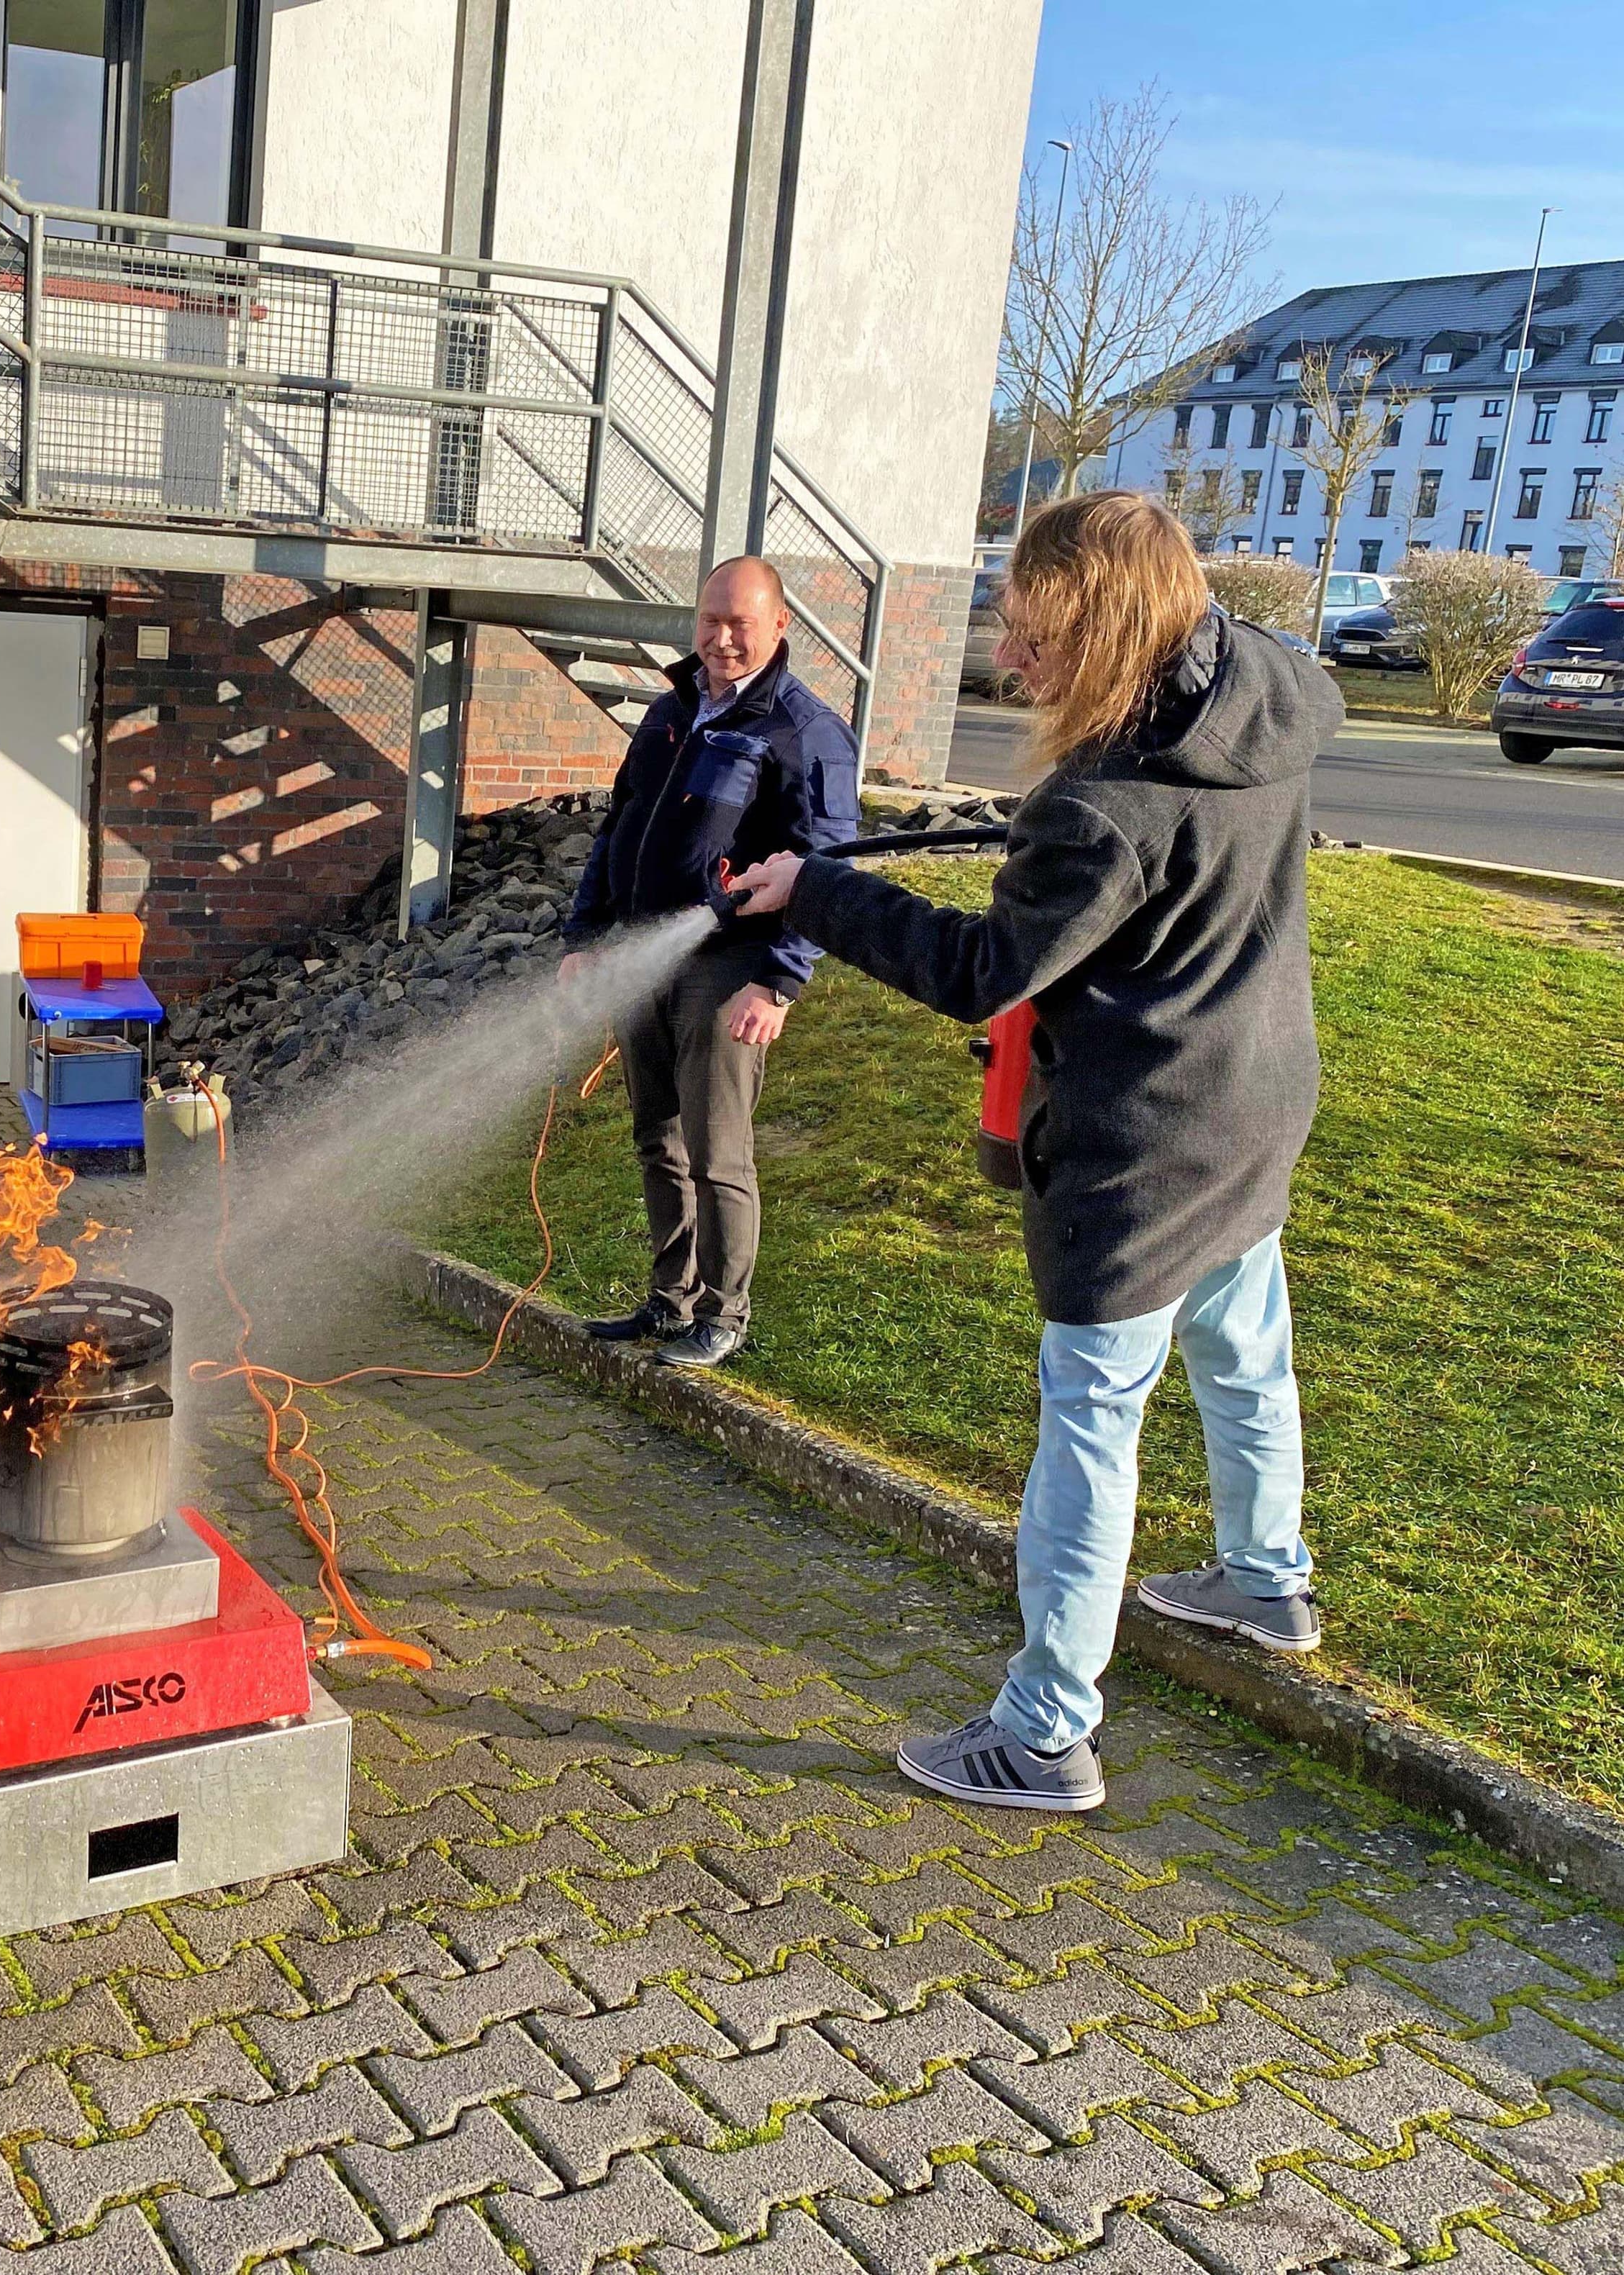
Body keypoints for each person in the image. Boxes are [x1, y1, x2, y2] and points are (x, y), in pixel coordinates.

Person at [727, 491, 1334, 1814]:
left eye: (1038, 640)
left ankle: (1047, 1730)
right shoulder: (1269, 686)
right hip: (1256, 1096)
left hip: (1145, 1146)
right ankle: (1266, 1575)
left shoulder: (1100, 808)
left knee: (1092, 1426)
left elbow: (982, 970)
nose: (1014, 665)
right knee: (1244, 1346)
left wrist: (817, 888)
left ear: (1111, 629)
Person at [558, 556, 858, 1371]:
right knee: (656, 1138)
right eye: (710, 620)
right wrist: (585, 936)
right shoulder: (671, 710)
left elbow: (831, 864)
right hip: (642, 956)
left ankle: (724, 1314)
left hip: (731, 967)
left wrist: (782, 980)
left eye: (741, 624)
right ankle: (671, 1301)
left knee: (716, 1149)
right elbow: (618, 830)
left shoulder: (803, 730)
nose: (722, 639)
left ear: (780, 625)